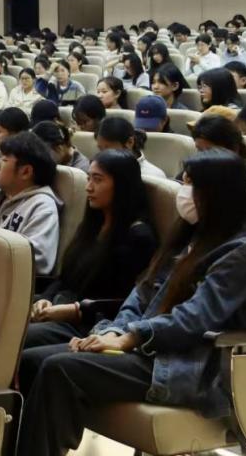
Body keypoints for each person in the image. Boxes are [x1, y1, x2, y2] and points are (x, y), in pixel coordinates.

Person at [17, 150, 246, 456]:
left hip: (187, 361)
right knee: (31, 361)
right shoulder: (192, 235)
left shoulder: (244, 249)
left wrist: (131, 337)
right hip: (150, 349)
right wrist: (115, 331)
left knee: (60, 369)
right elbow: (141, 292)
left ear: (218, 192)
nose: (183, 192)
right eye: (184, 182)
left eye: (191, 184)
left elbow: (196, 318)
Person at [19, 150, 158, 383]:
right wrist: (47, 300)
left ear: (122, 185)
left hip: (92, 324)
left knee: (21, 340)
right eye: (88, 178)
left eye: (98, 180)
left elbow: (124, 301)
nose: (89, 187)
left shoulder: (139, 237)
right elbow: (65, 277)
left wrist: (72, 310)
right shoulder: (93, 224)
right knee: (3, 325)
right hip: (63, 309)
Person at [0, 132, 62, 276]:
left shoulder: (42, 206)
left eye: (4, 159)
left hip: (3, 281)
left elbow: (37, 261)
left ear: (25, 172)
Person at [191, 114, 246, 181]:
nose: (203, 157)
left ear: (234, 149)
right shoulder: (197, 174)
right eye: (200, 150)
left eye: (211, 152)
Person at [95, 113, 166, 179]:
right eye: (100, 149)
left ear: (130, 142)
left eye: (109, 150)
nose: (102, 155)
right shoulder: (97, 169)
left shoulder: (153, 175)